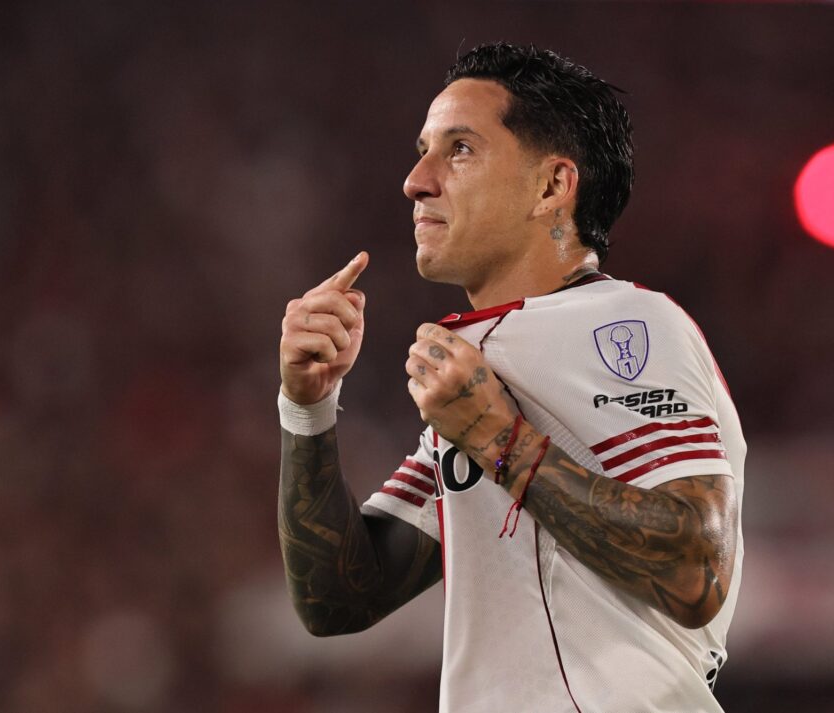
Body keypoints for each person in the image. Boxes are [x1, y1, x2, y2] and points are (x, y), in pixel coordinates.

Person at [276, 42, 746, 713]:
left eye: (459, 148)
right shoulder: (486, 362)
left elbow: (696, 570)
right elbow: (337, 597)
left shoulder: (628, 322)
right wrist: (308, 407)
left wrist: (501, 440)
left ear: (552, 186)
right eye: (423, 148)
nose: (416, 179)